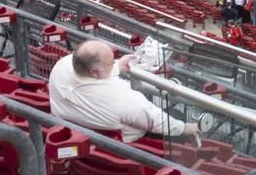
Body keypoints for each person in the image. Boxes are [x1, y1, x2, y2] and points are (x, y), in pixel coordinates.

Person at [45, 40, 198, 145]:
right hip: (125, 144)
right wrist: (185, 128)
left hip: (81, 133)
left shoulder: (62, 66)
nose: (114, 62)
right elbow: (157, 121)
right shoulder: (124, 98)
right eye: (111, 63)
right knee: (177, 117)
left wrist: (118, 66)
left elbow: (91, 79)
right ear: (94, 72)